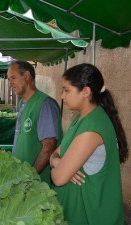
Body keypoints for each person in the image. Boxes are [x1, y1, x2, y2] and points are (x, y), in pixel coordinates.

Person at [50, 63, 128, 225]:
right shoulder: (81, 118)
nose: (62, 96)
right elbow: (55, 154)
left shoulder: (92, 128)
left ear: (86, 91)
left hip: (90, 216)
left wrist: (59, 167)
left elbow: (58, 178)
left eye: (66, 90)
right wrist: (59, 162)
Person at [7, 60, 63, 187]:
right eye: (9, 79)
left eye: (13, 78)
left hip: (38, 183)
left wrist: (30, 177)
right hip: (22, 180)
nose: (11, 83)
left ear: (26, 76)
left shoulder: (45, 104)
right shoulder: (22, 103)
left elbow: (48, 148)